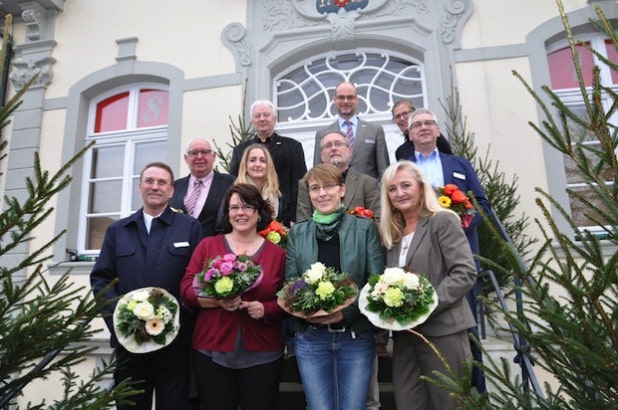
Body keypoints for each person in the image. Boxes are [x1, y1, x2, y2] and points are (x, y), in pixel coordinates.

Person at [90, 162, 203, 410]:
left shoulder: (190, 228)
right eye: (150, 181)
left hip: (176, 341)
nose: (155, 186)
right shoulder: (118, 231)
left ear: (172, 190)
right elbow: (101, 280)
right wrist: (120, 322)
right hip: (130, 341)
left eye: (162, 182)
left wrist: (178, 319)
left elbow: (199, 279)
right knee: (130, 404)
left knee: (175, 404)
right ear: (140, 186)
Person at [297, 130, 385, 410]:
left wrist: (342, 311)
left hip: (355, 334)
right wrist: (314, 312)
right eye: (315, 188)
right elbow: (291, 282)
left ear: (342, 190)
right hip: (311, 336)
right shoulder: (299, 233)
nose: (322, 193)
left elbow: (375, 281)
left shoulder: (364, 229)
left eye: (329, 187)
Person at [379, 161, 477, 409]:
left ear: (421, 187)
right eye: (392, 189)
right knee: (408, 403)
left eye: (406, 185)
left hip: (443, 331)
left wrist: (423, 305)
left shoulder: (442, 221)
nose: (399, 193)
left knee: (449, 404)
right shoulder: (393, 233)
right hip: (405, 336)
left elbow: (464, 273)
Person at [180, 183, 286, 410]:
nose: (241, 213)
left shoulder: (277, 254)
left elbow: (287, 300)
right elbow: (187, 290)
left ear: (259, 213)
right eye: (235, 207)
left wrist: (266, 309)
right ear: (227, 213)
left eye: (248, 207)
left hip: (263, 353)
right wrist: (216, 301)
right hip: (212, 351)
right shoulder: (208, 246)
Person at [407, 107, 490, 393]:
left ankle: (477, 394)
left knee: (468, 332)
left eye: (429, 123)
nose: (424, 128)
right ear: (410, 133)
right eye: (417, 124)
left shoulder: (458, 163)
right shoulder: (403, 166)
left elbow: (482, 204)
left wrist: (462, 221)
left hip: (458, 259)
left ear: (438, 130)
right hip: (418, 261)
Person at [230, 100, 307, 226]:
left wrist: (295, 217)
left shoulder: (292, 147)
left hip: (283, 216)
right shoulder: (240, 150)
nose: (262, 119)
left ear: (275, 118)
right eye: (257, 116)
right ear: (252, 120)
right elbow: (233, 183)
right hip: (246, 214)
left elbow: (300, 183)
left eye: (266, 115)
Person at [297, 130, 380, 221]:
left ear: (349, 151)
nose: (333, 148)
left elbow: (378, 221)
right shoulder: (306, 184)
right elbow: (303, 223)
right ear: (321, 156)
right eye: (328, 145)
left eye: (338, 144)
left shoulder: (368, 183)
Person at [313, 81, 390, 180]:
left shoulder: (375, 131)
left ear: (357, 100)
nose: (345, 101)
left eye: (350, 97)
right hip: (334, 192)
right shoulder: (322, 134)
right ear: (334, 100)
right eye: (341, 97)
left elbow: (384, 171)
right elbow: (318, 171)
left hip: (367, 193)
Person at [170, 137, 235, 237]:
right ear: (186, 158)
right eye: (194, 153)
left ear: (214, 156)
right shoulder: (175, 186)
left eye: (205, 152)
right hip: (179, 250)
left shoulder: (230, 183)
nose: (199, 157)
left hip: (215, 248)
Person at [235, 143, 285, 224]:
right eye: (252, 160)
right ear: (245, 165)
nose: (257, 164)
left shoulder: (277, 195)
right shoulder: (235, 194)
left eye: (262, 161)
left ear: (268, 166)